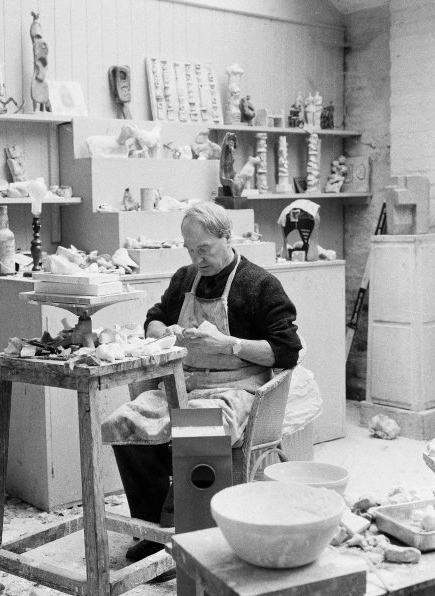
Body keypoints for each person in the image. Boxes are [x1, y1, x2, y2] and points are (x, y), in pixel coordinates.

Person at [101, 202, 302, 561]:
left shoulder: (259, 284)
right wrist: (166, 330)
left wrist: (229, 344)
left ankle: (197, 542)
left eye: (204, 249)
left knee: (198, 428)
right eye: (190, 250)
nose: (197, 258)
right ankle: (151, 530)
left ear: (227, 238)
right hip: (185, 383)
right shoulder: (184, 279)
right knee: (124, 424)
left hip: (238, 386)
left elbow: (286, 352)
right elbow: (155, 318)